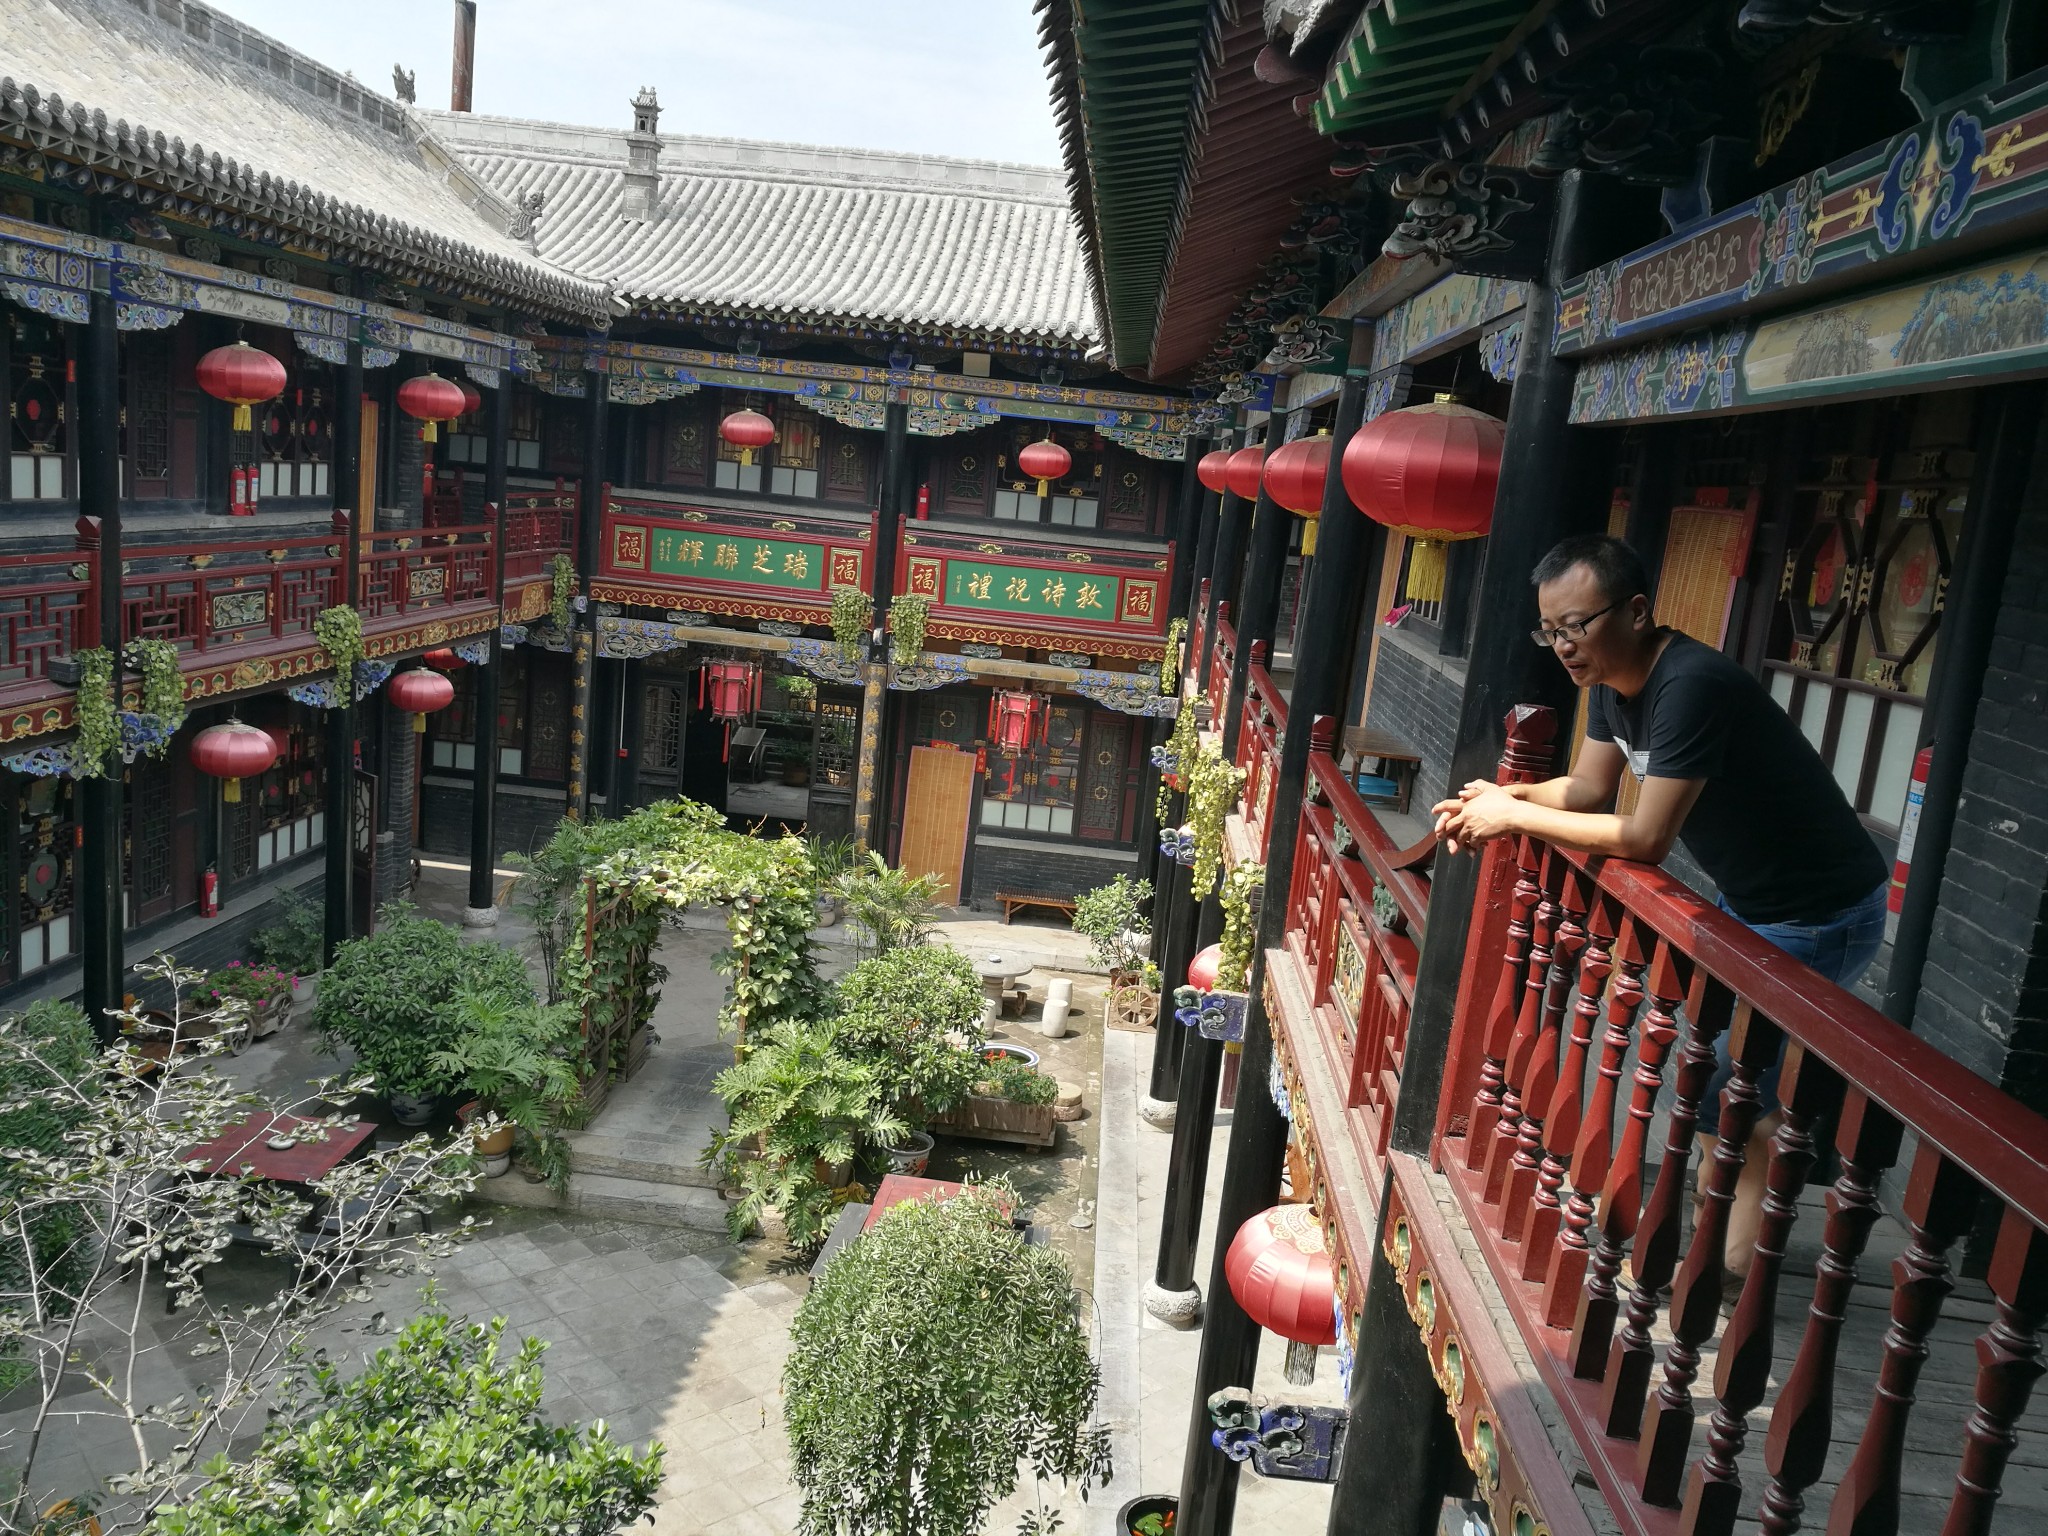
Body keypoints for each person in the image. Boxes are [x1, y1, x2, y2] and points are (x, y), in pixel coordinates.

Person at [1431, 534, 1888, 1276]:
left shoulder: (1690, 684)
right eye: (1550, 631)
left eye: (1577, 625)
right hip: (1752, 900)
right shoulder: (1611, 682)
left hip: (1820, 913)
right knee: (1723, 1086)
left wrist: (1514, 818)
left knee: (1725, 1088)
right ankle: (1732, 1214)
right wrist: (1506, 795)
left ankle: (1730, 1259)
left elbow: (1645, 837)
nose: (1563, 646)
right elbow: (1587, 790)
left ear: (1637, 611)